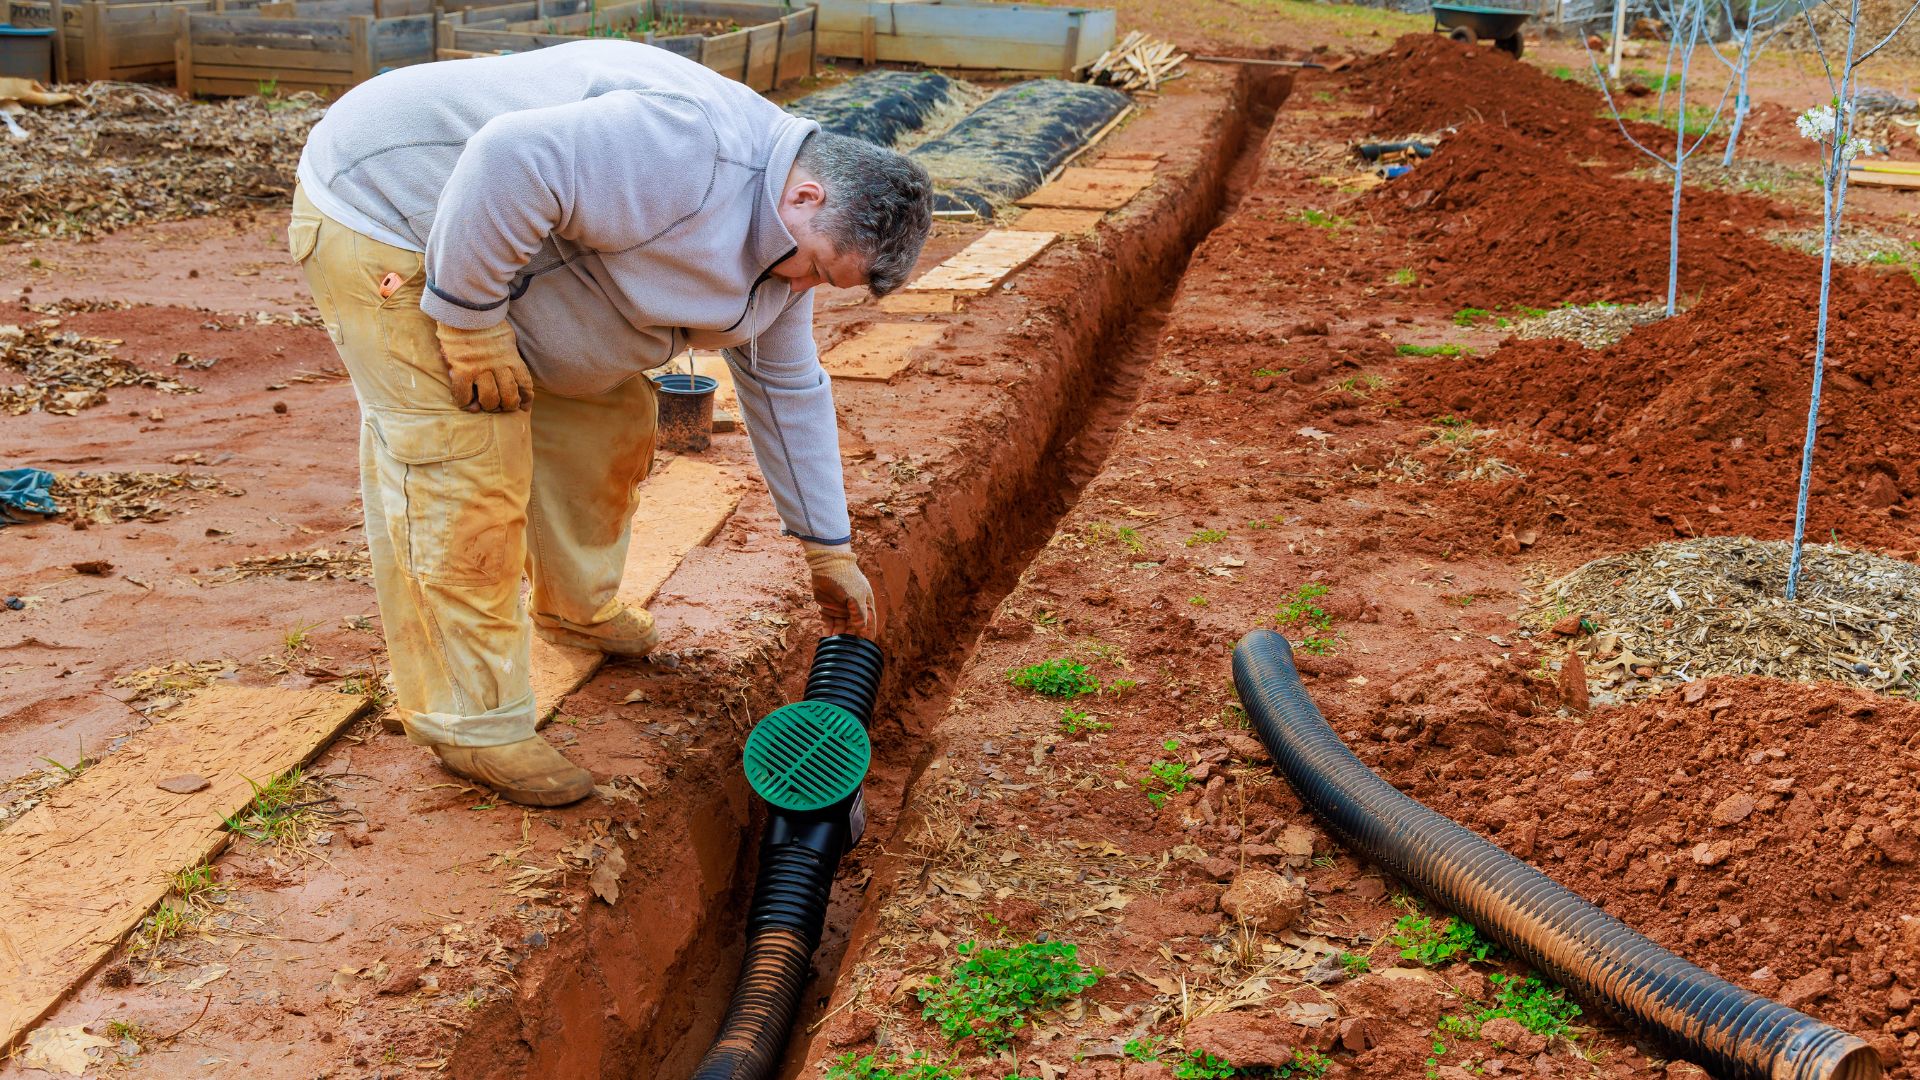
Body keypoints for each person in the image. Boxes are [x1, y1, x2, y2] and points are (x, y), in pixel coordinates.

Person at [287, 39, 934, 807]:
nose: (806, 289)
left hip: (512, 243)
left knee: (609, 411)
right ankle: (473, 725)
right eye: (818, 269)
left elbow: (789, 386)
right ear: (805, 198)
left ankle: (573, 607)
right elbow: (507, 158)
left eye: (828, 285)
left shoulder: (784, 251)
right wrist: (468, 321)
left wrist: (827, 545)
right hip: (394, 207)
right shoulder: (690, 151)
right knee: (463, 467)